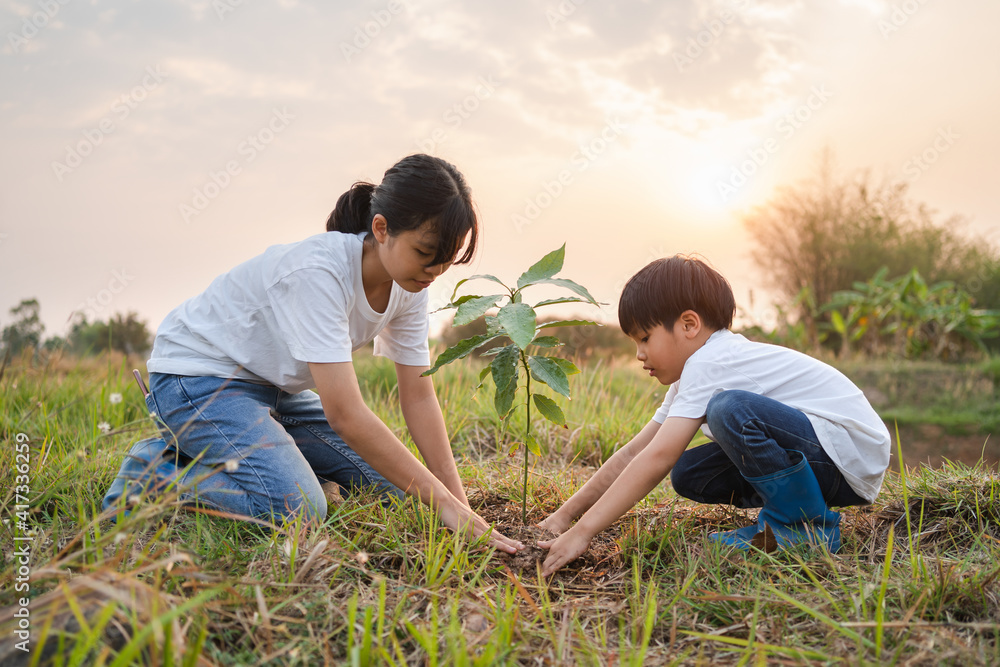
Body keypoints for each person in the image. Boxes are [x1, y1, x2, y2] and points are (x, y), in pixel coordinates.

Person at [103, 154, 523, 555]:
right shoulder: (318, 274)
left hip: (272, 390)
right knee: (298, 509)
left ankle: (275, 460)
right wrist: (448, 506)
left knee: (410, 494)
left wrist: (458, 505)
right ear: (381, 228)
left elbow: (418, 396)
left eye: (446, 261)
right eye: (425, 253)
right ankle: (151, 474)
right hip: (197, 381)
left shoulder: (411, 285)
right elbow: (345, 415)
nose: (434, 271)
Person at [538, 255, 890, 575]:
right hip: (829, 459)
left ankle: (801, 528)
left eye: (645, 338)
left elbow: (657, 457)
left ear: (689, 324)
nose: (639, 354)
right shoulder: (697, 371)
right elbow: (636, 452)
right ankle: (792, 512)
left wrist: (582, 534)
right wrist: (564, 516)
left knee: (730, 408)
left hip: (846, 457)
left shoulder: (712, 362)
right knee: (690, 473)